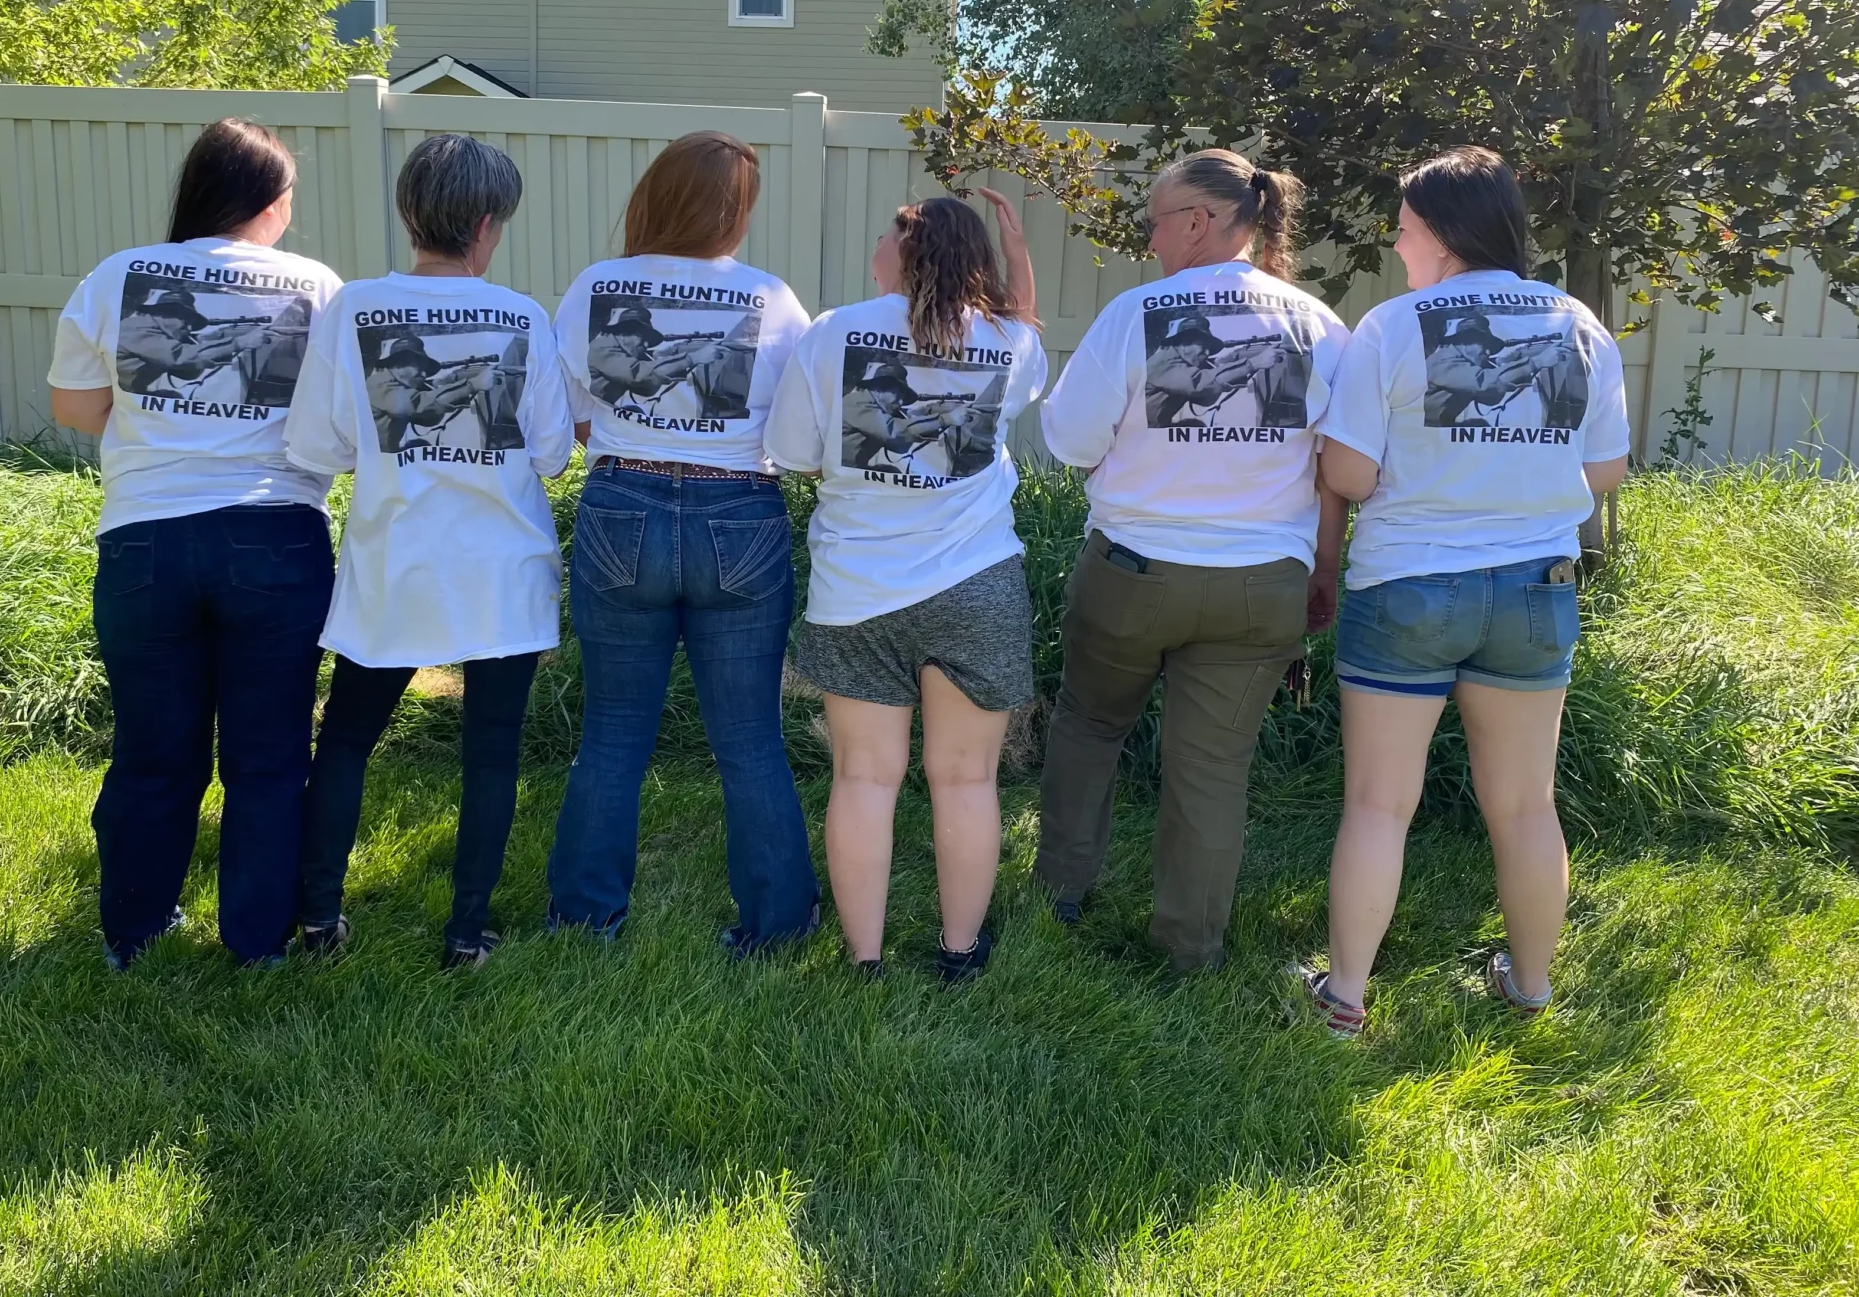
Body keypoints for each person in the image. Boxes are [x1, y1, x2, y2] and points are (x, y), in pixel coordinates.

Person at [1306, 146, 1630, 1036]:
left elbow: (1354, 475)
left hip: (1407, 587)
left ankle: (1345, 1000)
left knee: (1379, 802)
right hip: (1535, 592)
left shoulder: (1392, 327)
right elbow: (1605, 471)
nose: (1398, 245)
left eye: (1406, 230)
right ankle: (1528, 988)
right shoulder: (1579, 325)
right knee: (1526, 805)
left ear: (1444, 236)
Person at [1033, 148, 1350, 975]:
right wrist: (1324, 570)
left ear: (1201, 222)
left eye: (1156, 220)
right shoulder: (1319, 325)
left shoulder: (1136, 314)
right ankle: (1188, 951)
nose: (1150, 238)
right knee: (1210, 770)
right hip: (1260, 589)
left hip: (1132, 573)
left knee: (1090, 726)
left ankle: (1058, 895)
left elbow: (1068, 440)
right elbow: (1340, 470)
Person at [46, 119, 341, 969]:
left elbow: (76, 408)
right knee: (271, 755)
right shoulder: (318, 285)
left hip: (145, 540)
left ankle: (133, 934)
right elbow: (337, 421)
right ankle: (258, 943)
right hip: (278, 538)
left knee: (152, 749)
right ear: (274, 204)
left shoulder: (118, 275)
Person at [283, 134, 572, 971]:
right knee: (491, 749)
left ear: (410, 213)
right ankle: (467, 932)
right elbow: (553, 454)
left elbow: (319, 445)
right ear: (487, 224)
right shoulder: (522, 317)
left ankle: (318, 920)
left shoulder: (353, 309)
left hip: (392, 564)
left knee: (345, 740)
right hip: (501, 568)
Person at [545, 131, 819, 954]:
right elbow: (794, 427)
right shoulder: (773, 298)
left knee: (612, 732)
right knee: (749, 738)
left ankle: (586, 919)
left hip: (622, 501)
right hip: (738, 511)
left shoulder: (597, 286)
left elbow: (577, 413)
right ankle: (777, 923)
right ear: (734, 213)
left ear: (655, 196)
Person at [765, 189, 1044, 983]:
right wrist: (1016, 254)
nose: (875, 247)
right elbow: (1026, 336)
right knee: (965, 778)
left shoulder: (832, 334)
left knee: (863, 777)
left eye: (885, 234)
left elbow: (792, 452)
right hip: (977, 585)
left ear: (908, 250)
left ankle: (865, 959)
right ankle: (960, 954)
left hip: (858, 589)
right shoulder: (1005, 340)